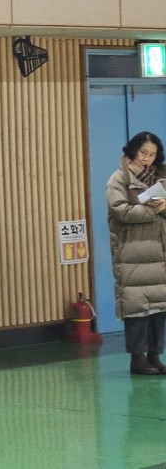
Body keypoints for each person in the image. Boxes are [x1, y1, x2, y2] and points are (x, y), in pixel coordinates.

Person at [106, 131, 166, 375]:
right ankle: (137, 359)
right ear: (133, 150)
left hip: (160, 252)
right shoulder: (119, 178)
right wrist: (152, 210)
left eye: (152, 154)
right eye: (143, 152)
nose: (147, 158)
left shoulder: (162, 177)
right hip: (132, 253)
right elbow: (120, 210)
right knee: (136, 306)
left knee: (160, 307)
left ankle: (155, 356)